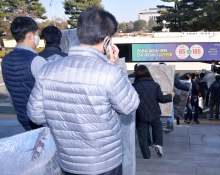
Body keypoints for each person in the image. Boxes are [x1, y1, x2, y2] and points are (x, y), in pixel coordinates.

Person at [27, 8, 140, 175]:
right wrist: (117, 68)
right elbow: (129, 106)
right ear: (107, 40)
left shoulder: (47, 70)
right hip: (105, 162)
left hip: (69, 162)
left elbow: (35, 115)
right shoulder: (110, 72)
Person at [1, 16, 47, 131]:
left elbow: (10, 93)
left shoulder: (6, 59)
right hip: (39, 119)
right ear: (30, 36)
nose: (38, 38)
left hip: (21, 116)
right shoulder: (37, 60)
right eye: (37, 34)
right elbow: (47, 93)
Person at [132, 65, 174, 159]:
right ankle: (158, 145)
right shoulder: (155, 85)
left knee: (142, 135)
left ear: (137, 73)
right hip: (154, 113)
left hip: (140, 114)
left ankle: (146, 155)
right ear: (148, 73)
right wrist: (170, 96)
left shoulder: (133, 86)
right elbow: (161, 99)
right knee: (158, 128)